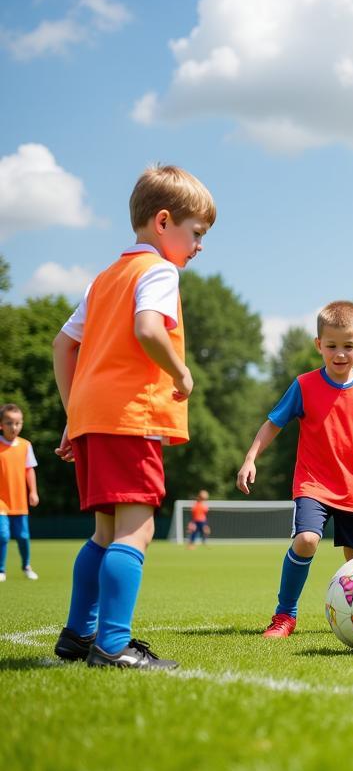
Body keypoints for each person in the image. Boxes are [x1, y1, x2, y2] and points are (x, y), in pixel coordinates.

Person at [51, 164, 216, 668]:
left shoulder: (104, 278)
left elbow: (63, 344)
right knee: (136, 531)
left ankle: (79, 636)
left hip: (93, 419)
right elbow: (149, 329)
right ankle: (114, 644)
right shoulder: (158, 271)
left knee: (104, 532)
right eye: (197, 233)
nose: (199, 246)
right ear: (163, 223)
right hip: (130, 418)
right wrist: (181, 372)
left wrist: (73, 408)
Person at [237, 300, 353, 638]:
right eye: (332, 346)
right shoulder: (304, 385)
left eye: (348, 346)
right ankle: (285, 616)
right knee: (307, 539)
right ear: (318, 345)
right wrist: (251, 457)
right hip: (313, 485)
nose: (340, 354)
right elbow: (272, 424)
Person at [0, 403, 40, 581]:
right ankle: (1, 570)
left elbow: (29, 470)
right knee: (3, 535)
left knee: (23, 536)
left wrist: (33, 492)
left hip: (19, 499)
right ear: (1, 425)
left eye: (17, 423)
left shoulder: (25, 445)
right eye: (9, 423)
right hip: (1, 500)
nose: (13, 427)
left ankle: (26, 566)